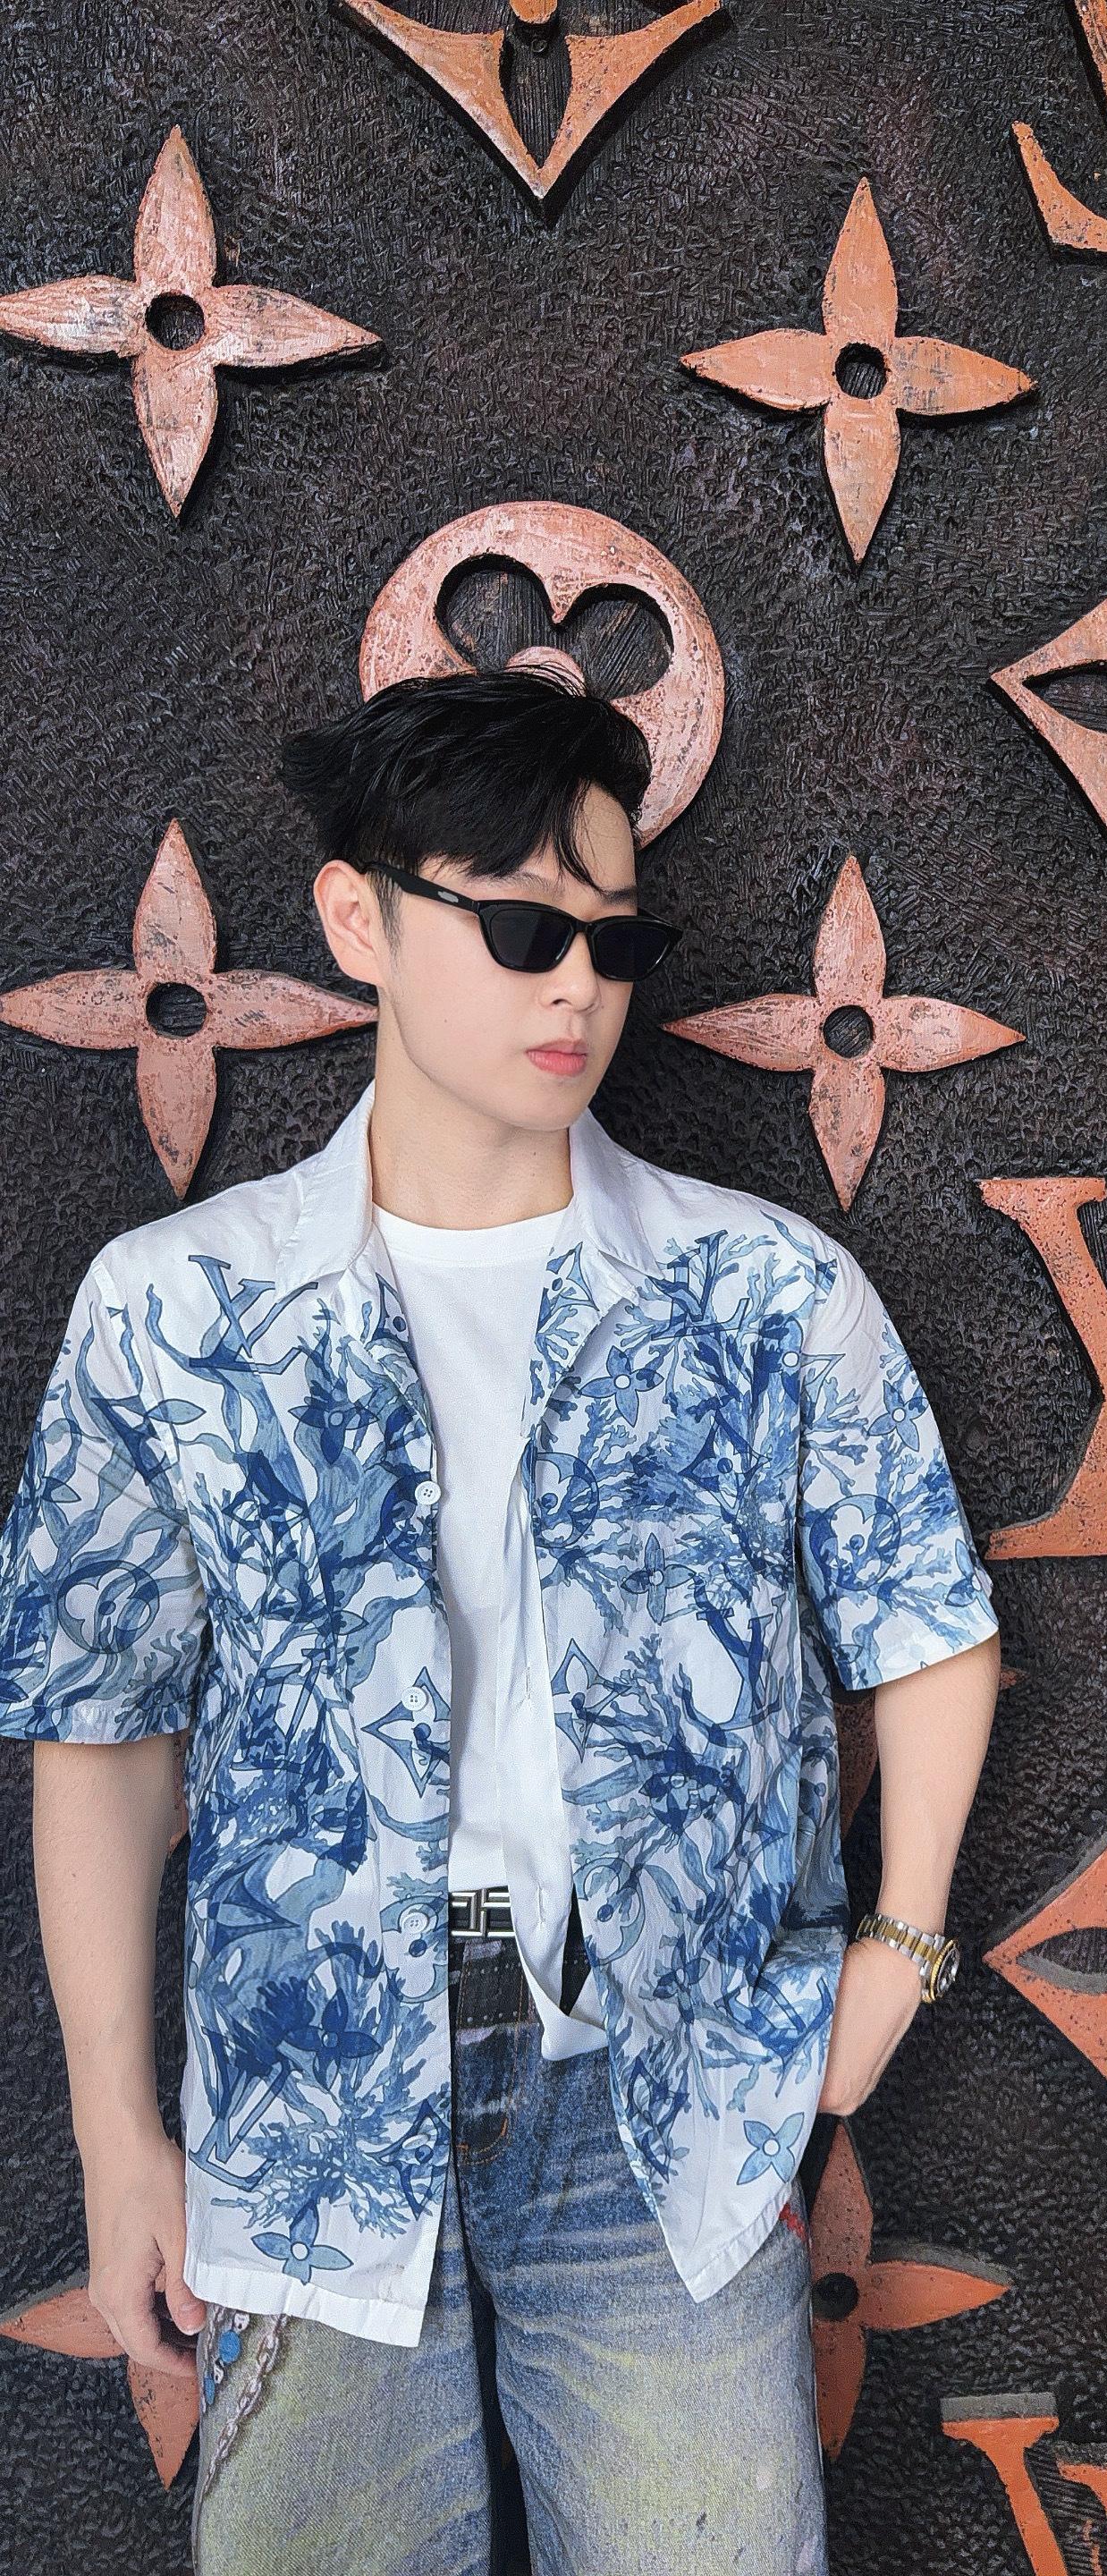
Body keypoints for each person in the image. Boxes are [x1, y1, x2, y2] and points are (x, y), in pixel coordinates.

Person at [0, 662, 1003, 2573]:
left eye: (616, 943)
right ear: (357, 920)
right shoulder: (176, 1308)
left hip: (658, 2098)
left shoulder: (763, 1291)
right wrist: (121, 2140)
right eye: (525, 929)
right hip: (307, 2105)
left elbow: (926, 1623)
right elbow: (104, 1737)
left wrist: (896, 1958)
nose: (577, 989)